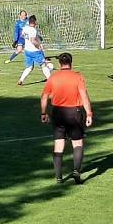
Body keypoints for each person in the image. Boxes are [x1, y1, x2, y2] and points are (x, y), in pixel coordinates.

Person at [40, 52, 93, 184]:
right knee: (77, 142)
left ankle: (58, 177)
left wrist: (43, 113)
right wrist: (89, 113)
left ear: (60, 63)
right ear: (71, 63)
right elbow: (84, 96)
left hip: (57, 113)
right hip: (74, 112)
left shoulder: (53, 77)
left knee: (59, 143)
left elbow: (44, 97)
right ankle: (76, 170)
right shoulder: (77, 77)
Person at [17, 15, 52, 85]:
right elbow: (33, 41)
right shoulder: (33, 30)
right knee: (43, 65)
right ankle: (50, 80)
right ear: (35, 22)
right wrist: (39, 45)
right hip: (35, 51)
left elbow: (21, 36)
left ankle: (21, 80)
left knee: (29, 67)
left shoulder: (25, 28)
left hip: (27, 51)